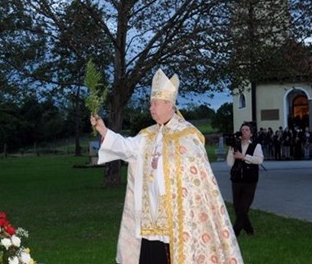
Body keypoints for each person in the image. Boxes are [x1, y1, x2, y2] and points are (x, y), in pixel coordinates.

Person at [90, 69, 243, 264]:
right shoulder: (147, 135)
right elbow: (126, 147)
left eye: (155, 103)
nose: (151, 108)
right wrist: (103, 129)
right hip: (150, 217)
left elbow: (195, 180)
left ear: (169, 104)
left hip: (178, 218)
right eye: (150, 103)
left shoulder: (187, 136)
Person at [227, 122, 264, 237]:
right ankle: (249, 230)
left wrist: (243, 157)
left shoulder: (256, 146)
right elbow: (230, 163)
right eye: (242, 130)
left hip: (250, 180)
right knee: (237, 207)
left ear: (251, 134)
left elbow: (259, 160)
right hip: (237, 179)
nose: (244, 132)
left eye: (247, 130)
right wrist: (231, 150)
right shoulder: (236, 145)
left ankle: (235, 232)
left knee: (244, 207)